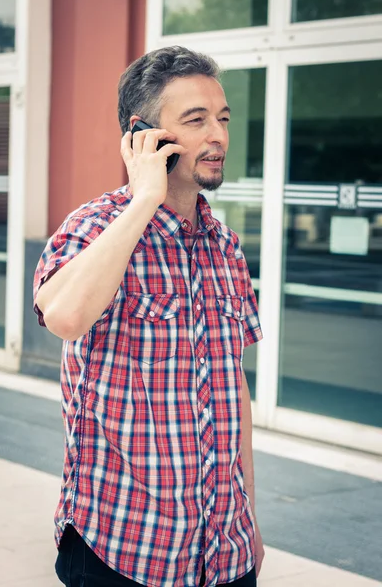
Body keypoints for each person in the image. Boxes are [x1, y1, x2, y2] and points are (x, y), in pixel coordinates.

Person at [33, 45, 264, 587]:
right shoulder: (94, 226)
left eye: (223, 118)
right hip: (124, 552)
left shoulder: (225, 245)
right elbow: (64, 317)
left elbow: (232, 388)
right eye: (196, 120)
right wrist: (144, 200)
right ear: (144, 136)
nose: (219, 137)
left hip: (224, 552)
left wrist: (250, 516)